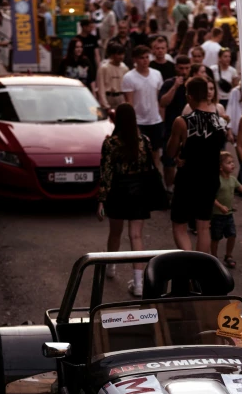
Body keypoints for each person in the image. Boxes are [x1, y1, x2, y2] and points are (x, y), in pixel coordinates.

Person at [97, 103, 156, 296]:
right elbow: (150, 168)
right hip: (139, 190)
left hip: (118, 190)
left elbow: (105, 173)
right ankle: (139, 283)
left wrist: (101, 200)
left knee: (115, 232)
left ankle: (111, 268)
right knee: (136, 235)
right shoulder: (144, 141)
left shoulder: (110, 144)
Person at [167, 76, 227, 253]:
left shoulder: (182, 121)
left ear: (190, 96)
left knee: (179, 225)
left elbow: (170, 152)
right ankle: (200, 268)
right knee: (203, 227)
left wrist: (179, 153)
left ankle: (189, 261)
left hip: (188, 178)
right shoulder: (219, 122)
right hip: (210, 179)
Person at [122, 45, 163, 169]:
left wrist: (161, 117)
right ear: (135, 60)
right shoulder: (129, 77)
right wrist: (132, 123)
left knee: (155, 152)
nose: (145, 60)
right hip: (139, 121)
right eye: (141, 58)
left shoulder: (157, 74)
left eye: (147, 57)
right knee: (140, 153)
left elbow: (158, 98)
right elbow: (129, 102)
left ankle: (155, 178)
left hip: (155, 120)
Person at [159, 54, 191, 187]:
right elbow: (163, 102)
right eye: (181, 68)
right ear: (176, 68)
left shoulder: (193, 84)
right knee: (169, 162)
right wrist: (175, 86)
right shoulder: (169, 83)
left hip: (190, 129)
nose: (184, 71)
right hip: (171, 128)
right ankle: (169, 189)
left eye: (186, 68)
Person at [211, 151, 242, 268]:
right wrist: (220, 207)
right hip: (216, 215)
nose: (233, 165)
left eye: (233, 162)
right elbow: (211, 197)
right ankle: (213, 257)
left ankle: (228, 255)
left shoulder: (233, 179)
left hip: (229, 214)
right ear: (220, 167)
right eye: (229, 163)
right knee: (215, 238)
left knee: (232, 235)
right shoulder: (217, 180)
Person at [97, 42, 128, 110]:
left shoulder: (124, 68)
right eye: (119, 54)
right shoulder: (104, 68)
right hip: (109, 96)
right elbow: (101, 88)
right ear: (112, 55)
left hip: (120, 97)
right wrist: (105, 105)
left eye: (123, 54)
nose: (121, 57)